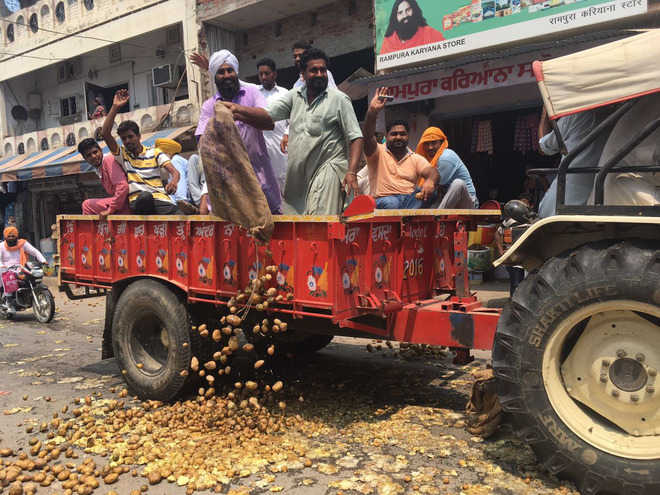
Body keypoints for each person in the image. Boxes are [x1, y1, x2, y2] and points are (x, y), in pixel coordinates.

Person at [222, 48, 364, 215]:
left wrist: (352, 172)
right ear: (303, 74)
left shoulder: (339, 99)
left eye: (323, 70)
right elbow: (267, 115)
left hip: (328, 169)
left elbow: (356, 137)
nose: (319, 74)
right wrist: (238, 111)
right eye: (314, 70)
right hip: (300, 177)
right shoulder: (294, 96)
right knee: (296, 223)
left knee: (319, 223)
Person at [195, 49, 282, 214]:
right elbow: (201, 141)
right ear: (215, 77)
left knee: (272, 222)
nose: (227, 75)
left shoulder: (252, 94)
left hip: (260, 175)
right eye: (221, 72)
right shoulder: (209, 106)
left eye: (230, 70)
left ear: (236, 73)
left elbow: (268, 121)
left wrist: (237, 111)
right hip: (228, 181)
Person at [102, 89, 180, 215]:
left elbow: (175, 172)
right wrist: (115, 107)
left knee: (181, 217)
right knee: (145, 197)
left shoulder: (155, 152)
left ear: (139, 136)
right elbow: (105, 134)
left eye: (130, 136)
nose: (127, 141)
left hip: (161, 200)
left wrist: (174, 182)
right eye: (124, 139)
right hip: (139, 201)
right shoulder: (123, 154)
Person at [362, 87, 438, 209]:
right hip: (384, 200)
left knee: (432, 193)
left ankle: (407, 216)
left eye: (402, 134)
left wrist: (430, 181)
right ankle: (408, 217)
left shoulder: (414, 158)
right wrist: (372, 112)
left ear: (408, 136)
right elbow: (367, 137)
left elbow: (432, 172)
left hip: (410, 200)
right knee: (392, 203)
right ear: (387, 136)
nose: (398, 137)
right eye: (394, 134)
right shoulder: (377, 151)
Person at [537, 107, 609, 217]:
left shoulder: (576, 114)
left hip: (566, 201)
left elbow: (544, 148)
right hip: (604, 197)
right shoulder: (619, 114)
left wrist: (545, 115)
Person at [281, 42, 339, 154]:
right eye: (295, 56)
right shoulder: (296, 85)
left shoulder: (323, 75)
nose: (297, 59)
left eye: (300, 55)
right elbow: (296, 114)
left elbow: (334, 101)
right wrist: (287, 132)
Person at [416, 127, 478, 209]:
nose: (430, 147)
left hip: (467, 202)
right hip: (446, 200)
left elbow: (432, 187)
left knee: (458, 184)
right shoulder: (429, 160)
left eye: (433, 143)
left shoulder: (446, 157)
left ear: (441, 143)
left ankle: (437, 217)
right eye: (427, 144)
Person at [257, 57, 289, 191]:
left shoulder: (285, 93)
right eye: (261, 74)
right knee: (266, 184)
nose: (264, 77)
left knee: (285, 181)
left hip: (282, 145)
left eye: (267, 73)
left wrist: (287, 134)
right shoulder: (255, 94)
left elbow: (294, 119)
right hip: (262, 145)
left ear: (274, 74)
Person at [0, 226, 47, 316]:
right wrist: (2, 266)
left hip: (21, 266)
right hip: (5, 269)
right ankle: (9, 303)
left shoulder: (22, 243)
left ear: (17, 236)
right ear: (5, 237)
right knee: (9, 277)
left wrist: (43, 260)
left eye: (13, 236)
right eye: (9, 236)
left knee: (33, 276)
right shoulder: (1, 246)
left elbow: (34, 251)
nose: (11, 238)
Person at [78, 138, 130, 217]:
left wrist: (110, 209)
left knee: (87, 205)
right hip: (123, 203)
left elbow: (123, 186)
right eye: (89, 155)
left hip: (127, 202)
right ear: (85, 159)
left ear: (101, 150)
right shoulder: (99, 168)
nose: (93, 156)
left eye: (95, 152)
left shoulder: (107, 160)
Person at [380, 0, 445, 55]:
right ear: (395, 17)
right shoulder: (388, 42)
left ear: (414, 10)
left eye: (408, 10)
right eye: (400, 13)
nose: (405, 15)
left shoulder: (430, 34)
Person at [155, 138, 190, 206]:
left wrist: (181, 203)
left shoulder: (175, 160)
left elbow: (180, 188)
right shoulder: (175, 161)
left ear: (167, 153)